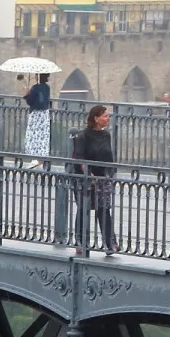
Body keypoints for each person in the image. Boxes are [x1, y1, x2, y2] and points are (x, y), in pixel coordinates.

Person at [70, 104, 117, 254]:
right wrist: (88, 173)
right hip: (84, 179)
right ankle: (80, 241)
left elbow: (108, 156)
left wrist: (110, 173)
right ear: (96, 119)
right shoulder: (83, 136)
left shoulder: (106, 135)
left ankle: (110, 244)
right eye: (105, 116)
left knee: (103, 209)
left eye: (108, 115)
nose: (108, 118)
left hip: (102, 178)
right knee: (84, 209)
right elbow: (79, 157)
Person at [22, 72, 53, 158]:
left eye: (36, 74)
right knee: (43, 136)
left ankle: (34, 156)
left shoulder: (35, 88)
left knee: (34, 135)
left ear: (38, 76)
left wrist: (27, 93)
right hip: (44, 115)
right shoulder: (47, 87)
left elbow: (30, 101)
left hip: (36, 115)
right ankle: (41, 157)